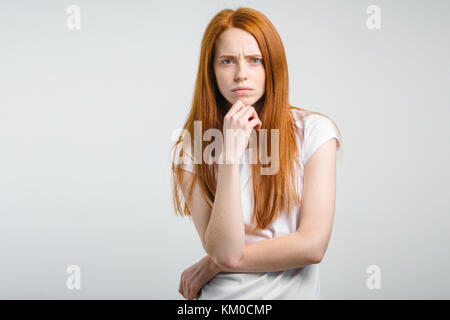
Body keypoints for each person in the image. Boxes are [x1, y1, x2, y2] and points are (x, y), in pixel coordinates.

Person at [170, 7, 343, 300]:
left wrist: (209, 265)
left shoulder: (315, 132)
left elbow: (312, 246)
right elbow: (226, 252)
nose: (241, 74)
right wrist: (230, 155)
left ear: (271, 66)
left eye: (254, 60)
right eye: (227, 61)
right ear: (211, 71)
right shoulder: (191, 147)